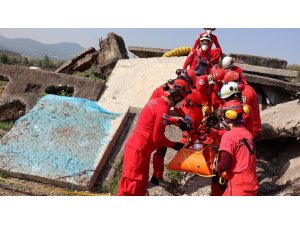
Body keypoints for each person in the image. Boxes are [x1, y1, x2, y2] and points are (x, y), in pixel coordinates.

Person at [118, 80, 189, 196]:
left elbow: (155, 120)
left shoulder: (155, 102)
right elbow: (157, 138)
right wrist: (174, 145)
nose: (181, 103)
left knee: (141, 184)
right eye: (182, 99)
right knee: (131, 188)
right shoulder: (164, 109)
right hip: (139, 150)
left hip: (139, 149)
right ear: (177, 96)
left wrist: (175, 121)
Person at [214, 100, 259, 196]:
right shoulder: (247, 133)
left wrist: (216, 169)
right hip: (252, 182)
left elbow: (225, 163)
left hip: (238, 184)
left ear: (228, 116)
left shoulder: (229, 136)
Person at [223, 70, 262, 138]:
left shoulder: (244, 93)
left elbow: (243, 115)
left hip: (251, 129)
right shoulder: (244, 89)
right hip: (248, 124)